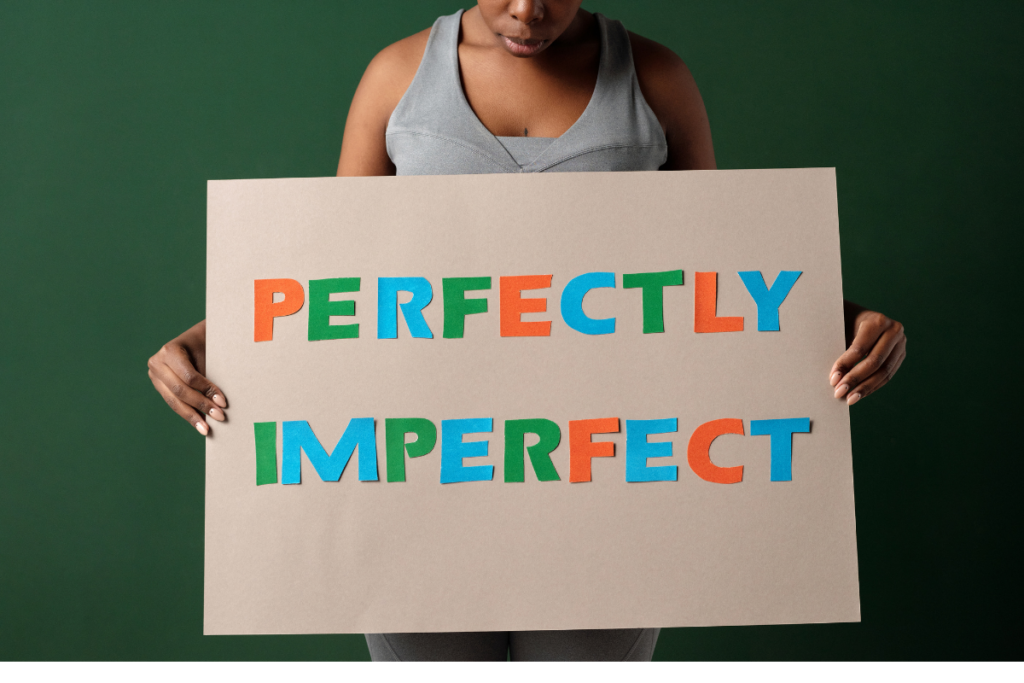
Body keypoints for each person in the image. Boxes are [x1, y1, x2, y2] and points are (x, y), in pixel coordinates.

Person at [147, 0, 907, 662]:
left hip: (611, 483)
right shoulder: (396, 80)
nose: (527, 9)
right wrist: (207, 342)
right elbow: (338, 286)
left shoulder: (657, 80)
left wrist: (847, 323)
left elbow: (717, 280)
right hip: (419, 490)